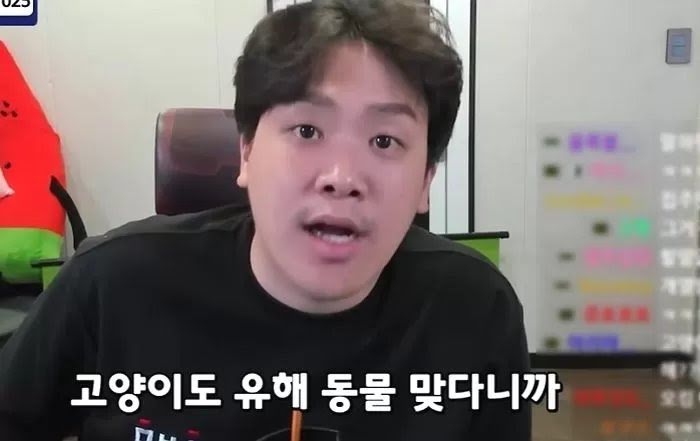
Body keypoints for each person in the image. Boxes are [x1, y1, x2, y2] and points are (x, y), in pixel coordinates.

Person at [0, 0, 532, 440]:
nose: (342, 177)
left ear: (425, 181)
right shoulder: (111, 285)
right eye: (307, 131)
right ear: (247, 152)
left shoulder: (473, 310)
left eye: (385, 140)